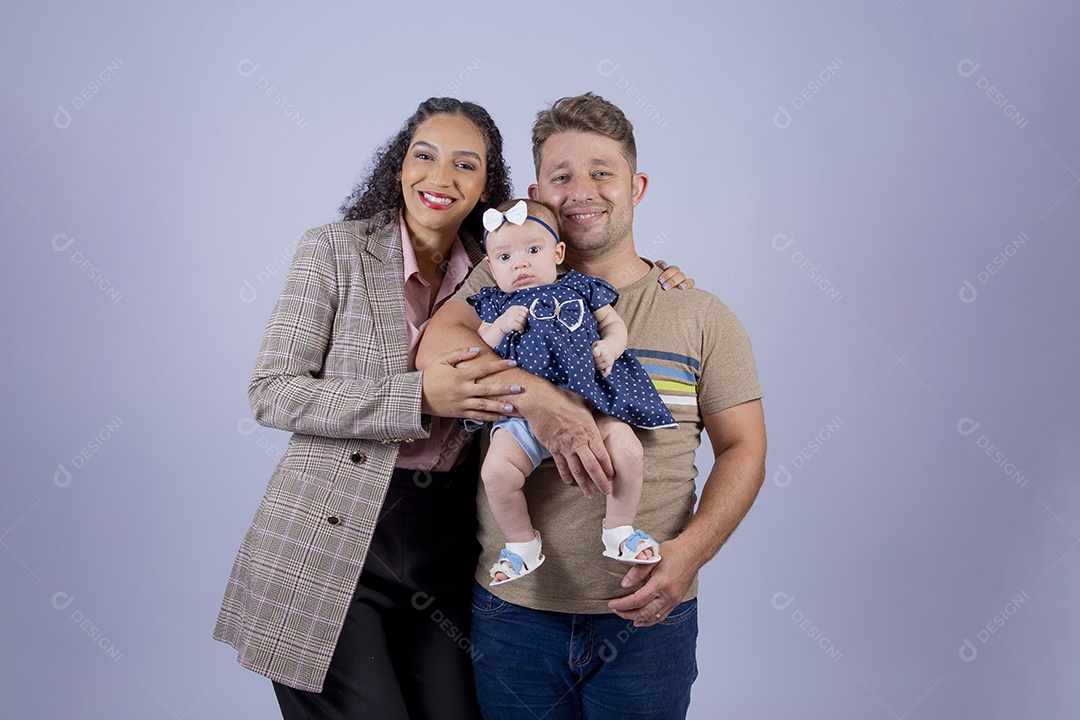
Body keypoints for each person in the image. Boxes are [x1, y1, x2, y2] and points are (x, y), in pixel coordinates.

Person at [214, 96, 694, 720]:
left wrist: (661, 275)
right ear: (397, 167)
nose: (440, 179)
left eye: (464, 165)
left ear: (486, 189)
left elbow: (587, 271)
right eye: (424, 156)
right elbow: (272, 390)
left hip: (447, 540)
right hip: (338, 534)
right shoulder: (335, 251)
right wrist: (418, 396)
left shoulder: (497, 266)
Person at [417, 92, 767, 719]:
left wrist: (689, 555)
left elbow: (745, 448)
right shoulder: (497, 284)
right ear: (537, 195)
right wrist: (543, 399)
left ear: (636, 186)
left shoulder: (697, 312)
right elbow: (437, 348)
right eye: (562, 176)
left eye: (602, 172)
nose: (582, 190)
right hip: (513, 615)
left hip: (648, 615)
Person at [470, 198, 676, 586]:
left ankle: (619, 530)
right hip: (523, 417)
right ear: (490, 266)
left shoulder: (579, 287)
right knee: (495, 472)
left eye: (533, 250)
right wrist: (498, 327)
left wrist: (611, 347)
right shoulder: (495, 304)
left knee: (629, 450)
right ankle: (521, 544)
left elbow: (613, 324)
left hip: (592, 402)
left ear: (558, 252)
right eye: (505, 257)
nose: (521, 264)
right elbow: (480, 344)